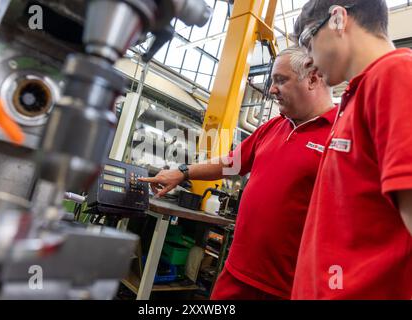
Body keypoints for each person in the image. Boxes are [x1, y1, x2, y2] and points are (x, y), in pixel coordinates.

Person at [139, 46, 337, 300]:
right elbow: (231, 164)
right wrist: (183, 172)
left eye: (281, 80)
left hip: (286, 288)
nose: (272, 89)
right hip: (235, 274)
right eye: (272, 81)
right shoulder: (273, 127)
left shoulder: (340, 135)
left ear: (312, 78)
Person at [293, 0, 412, 299]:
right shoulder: (355, 97)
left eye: (308, 41)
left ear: (338, 19)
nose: (307, 60)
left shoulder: (396, 75)